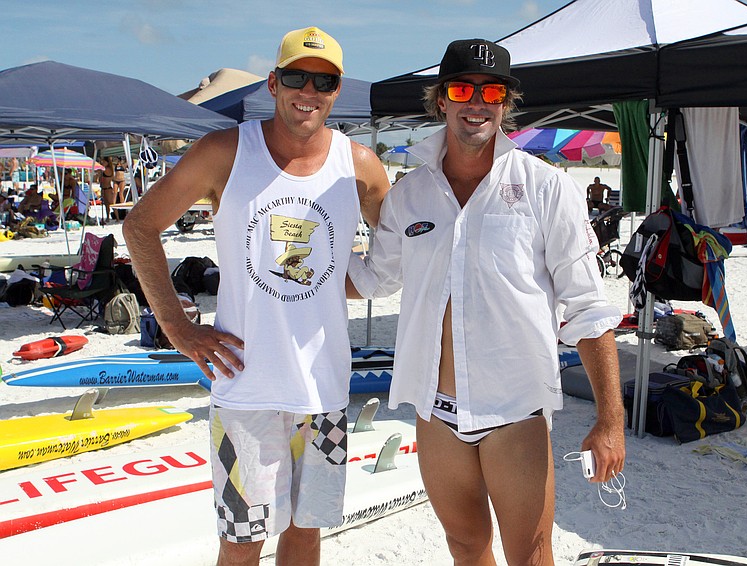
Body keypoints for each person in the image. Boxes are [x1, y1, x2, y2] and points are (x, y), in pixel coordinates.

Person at [347, 39, 625, 565]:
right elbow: (374, 279)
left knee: (530, 555)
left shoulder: (545, 188)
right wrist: (293, 272)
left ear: (506, 103)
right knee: (466, 546)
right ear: (441, 101)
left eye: (492, 90)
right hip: (437, 411)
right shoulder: (409, 194)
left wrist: (610, 419)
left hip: (514, 410)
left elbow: (587, 306)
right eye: (462, 89)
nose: (477, 102)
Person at [122, 26, 389, 566]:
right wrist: (175, 325)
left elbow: (395, 257)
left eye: (324, 81)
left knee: (306, 533)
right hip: (245, 388)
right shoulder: (224, 151)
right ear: (273, 82)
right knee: (242, 543)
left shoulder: (359, 166)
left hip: (325, 390)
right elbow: (140, 226)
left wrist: (341, 279)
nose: (308, 91)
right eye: (296, 76)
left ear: (337, 91)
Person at [99, 157, 117, 222]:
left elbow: (99, 169)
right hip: (104, 188)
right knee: (106, 204)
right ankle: (108, 217)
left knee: (111, 204)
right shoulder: (105, 169)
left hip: (108, 188)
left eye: (103, 162)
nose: (102, 163)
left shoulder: (107, 169)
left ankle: (117, 218)